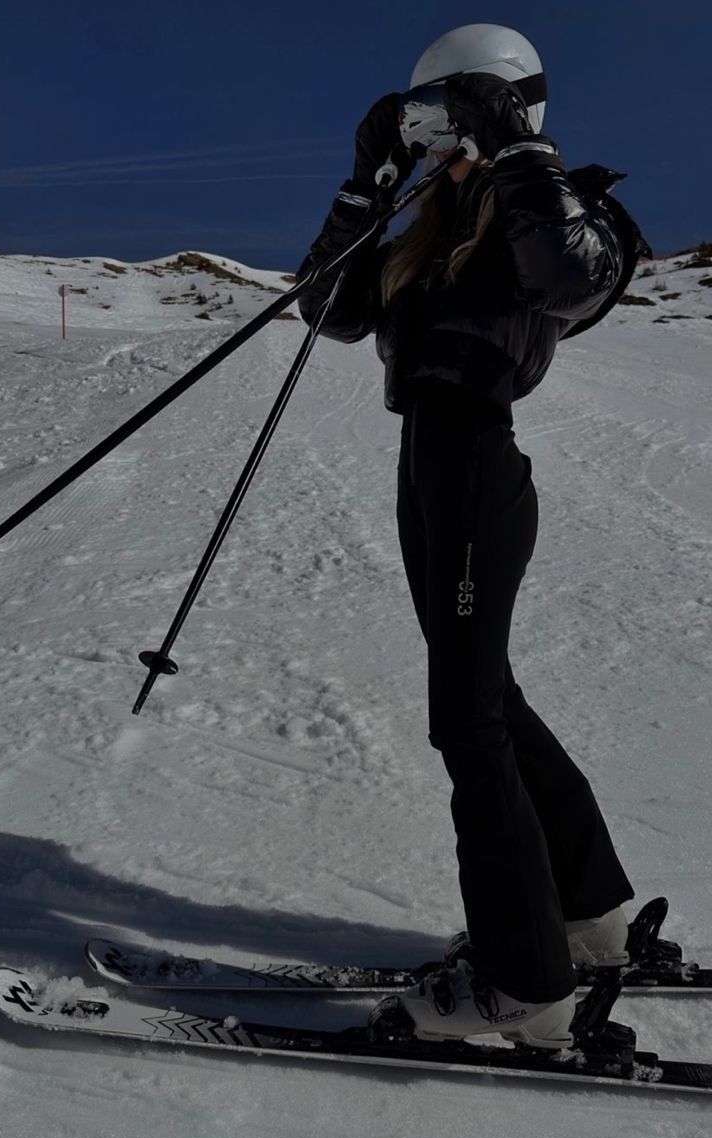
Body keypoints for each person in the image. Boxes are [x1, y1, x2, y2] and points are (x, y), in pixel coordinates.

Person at [295, 24, 652, 1049]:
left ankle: (525, 979)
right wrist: (366, 182)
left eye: (453, 110)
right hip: (430, 465)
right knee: (488, 696)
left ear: (502, 103)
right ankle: (588, 921)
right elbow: (327, 308)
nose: (438, 133)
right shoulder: (430, 212)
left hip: (477, 460)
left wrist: (522, 155)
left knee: (466, 717)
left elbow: (572, 281)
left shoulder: (559, 201)